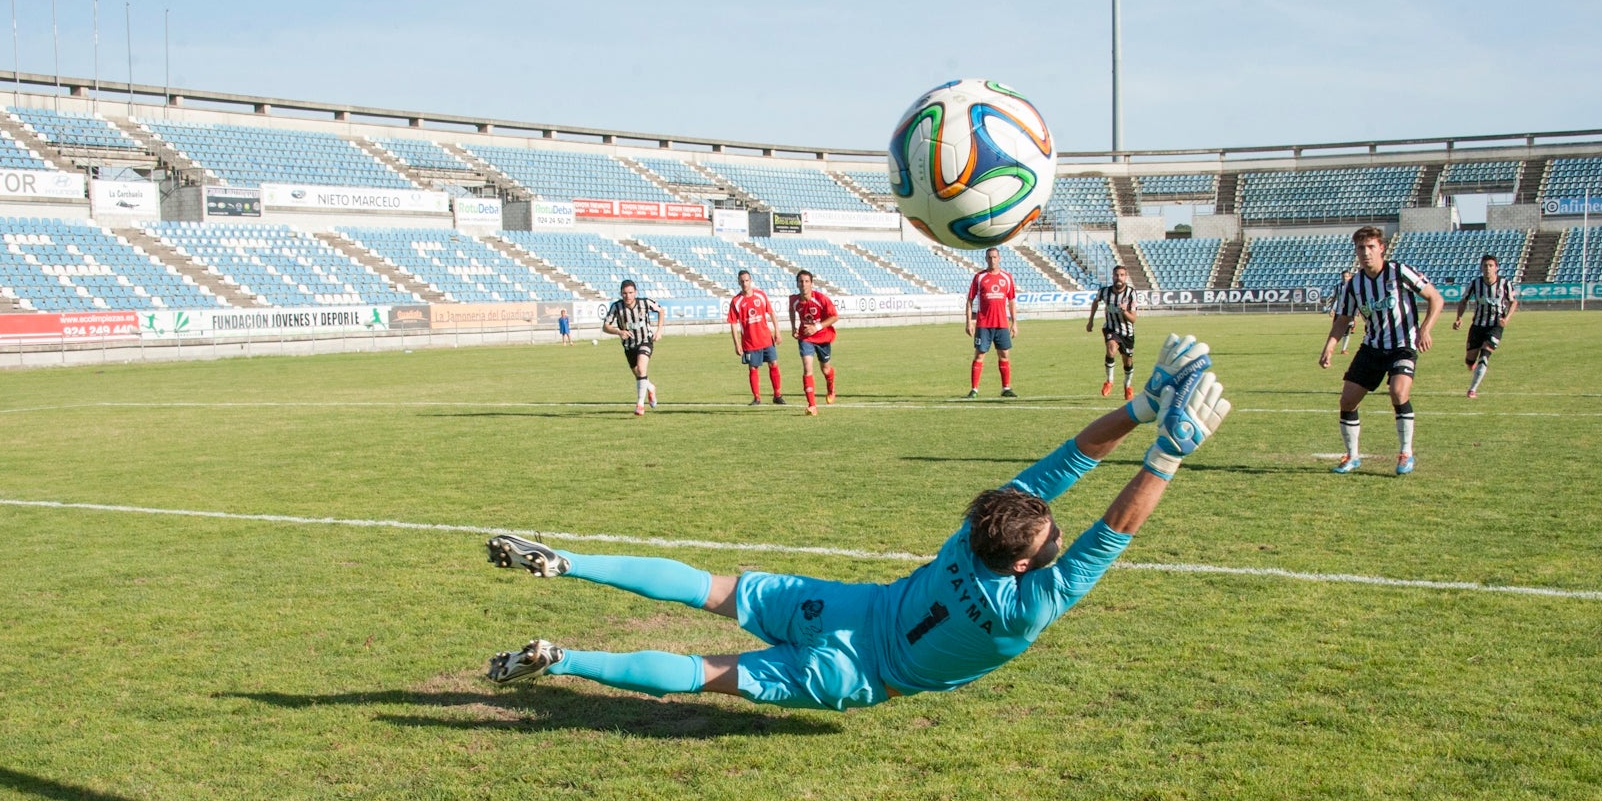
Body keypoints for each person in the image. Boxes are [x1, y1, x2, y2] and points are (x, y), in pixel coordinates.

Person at [484, 335, 1232, 710]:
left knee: (711, 587)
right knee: (707, 673)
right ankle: (567, 658)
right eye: (1051, 540)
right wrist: (1167, 453)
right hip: (853, 671)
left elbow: (1071, 462)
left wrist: (1142, 407)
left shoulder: (973, 533)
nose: (1058, 531)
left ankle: (571, 560)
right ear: (1024, 565)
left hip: (848, 604)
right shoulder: (1028, 606)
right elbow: (1114, 530)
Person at [1318, 226, 1443, 475]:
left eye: (1371, 247)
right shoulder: (1353, 285)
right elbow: (1343, 319)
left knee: (1398, 392)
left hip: (1402, 346)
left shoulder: (1399, 272)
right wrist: (1329, 347)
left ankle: (1406, 453)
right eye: (1361, 248)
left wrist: (1425, 329)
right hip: (1372, 347)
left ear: (1382, 248)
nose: (1366, 252)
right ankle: (1352, 456)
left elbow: (1435, 298)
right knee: (1348, 400)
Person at [1451, 253, 1517, 399]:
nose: (1488, 268)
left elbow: (1513, 302)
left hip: (1496, 325)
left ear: (1496, 268)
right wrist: (1458, 318)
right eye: (1485, 266)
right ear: (1481, 268)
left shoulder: (1505, 284)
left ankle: (1472, 389)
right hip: (1477, 326)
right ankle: (1472, 365)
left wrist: (1507, 318)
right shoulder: (1475, 283)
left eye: (1490, 265)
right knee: (1470, 359)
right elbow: (1463, 301)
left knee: (1485, 354)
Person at [602, 280, 662, 416]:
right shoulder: (616, 307)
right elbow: (605, 326)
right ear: (621, 293)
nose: (628, 296)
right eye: (625, 293)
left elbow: (661, 310)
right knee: (640, 376)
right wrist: (618, 332)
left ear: (635, 293)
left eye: (630, 293)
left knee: (642, 369)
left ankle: (640, 405)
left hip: (645, 341)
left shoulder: (645, 303)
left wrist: (659, 331)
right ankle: (651, 388)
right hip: (629, 346)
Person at [966, 246, 1018, 398]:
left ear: (999, 258)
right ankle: (974, 389)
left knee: (1004, 355)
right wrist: (969, 322)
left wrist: (1014, 323)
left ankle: (1006, 388)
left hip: (1002, 323)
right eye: (989, 257)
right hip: (983, 324)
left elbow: (1012, 301)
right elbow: (969, 300)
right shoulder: (979, 277)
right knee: (979, 355)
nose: (992, 260)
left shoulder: (1006, 277)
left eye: (995, 257)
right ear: (985, 259)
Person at [727, 269, 785, 406]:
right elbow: (733, 324)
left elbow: (771, 313)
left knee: (774, 364)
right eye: (742, 281)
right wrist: (736, 344)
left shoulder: (760, 295)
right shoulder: (736, 301)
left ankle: (777, 395)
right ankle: (757, 397)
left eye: (747, 280)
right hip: (750, 342)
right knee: (753, 368)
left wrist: (777, 331)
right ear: (738, 282)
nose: (745, 283)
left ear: (750, 281)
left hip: (766, 339)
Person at [788, 269, 839, 415]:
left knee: (825, 369)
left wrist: (817, 327)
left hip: (823, 337)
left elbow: (835, 317)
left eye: (806, 281)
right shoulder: (794, 300)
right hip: (806, 338)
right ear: (797, 284)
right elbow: (791, 310)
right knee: (807, 368)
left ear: (811, 284)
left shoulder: (821, 298)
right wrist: (793, 327)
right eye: (800, 281)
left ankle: (831, 386)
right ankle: (812, 405)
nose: (803, 284)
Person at [1085, 263, 1138, 398]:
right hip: (1111, 328)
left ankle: (1127, 386)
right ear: (1112, 276)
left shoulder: (1131, 293)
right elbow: (1095, 302)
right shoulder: (1104, 291)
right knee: (1111, 348)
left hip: (1127, 332)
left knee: (1127, 361)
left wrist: (1124, 311)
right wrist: (1090, 320)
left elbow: (1133, 319)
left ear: (1125, 277)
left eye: (1121, 275)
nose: (1118, 278)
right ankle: (1109, 381)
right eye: (1116, 275)